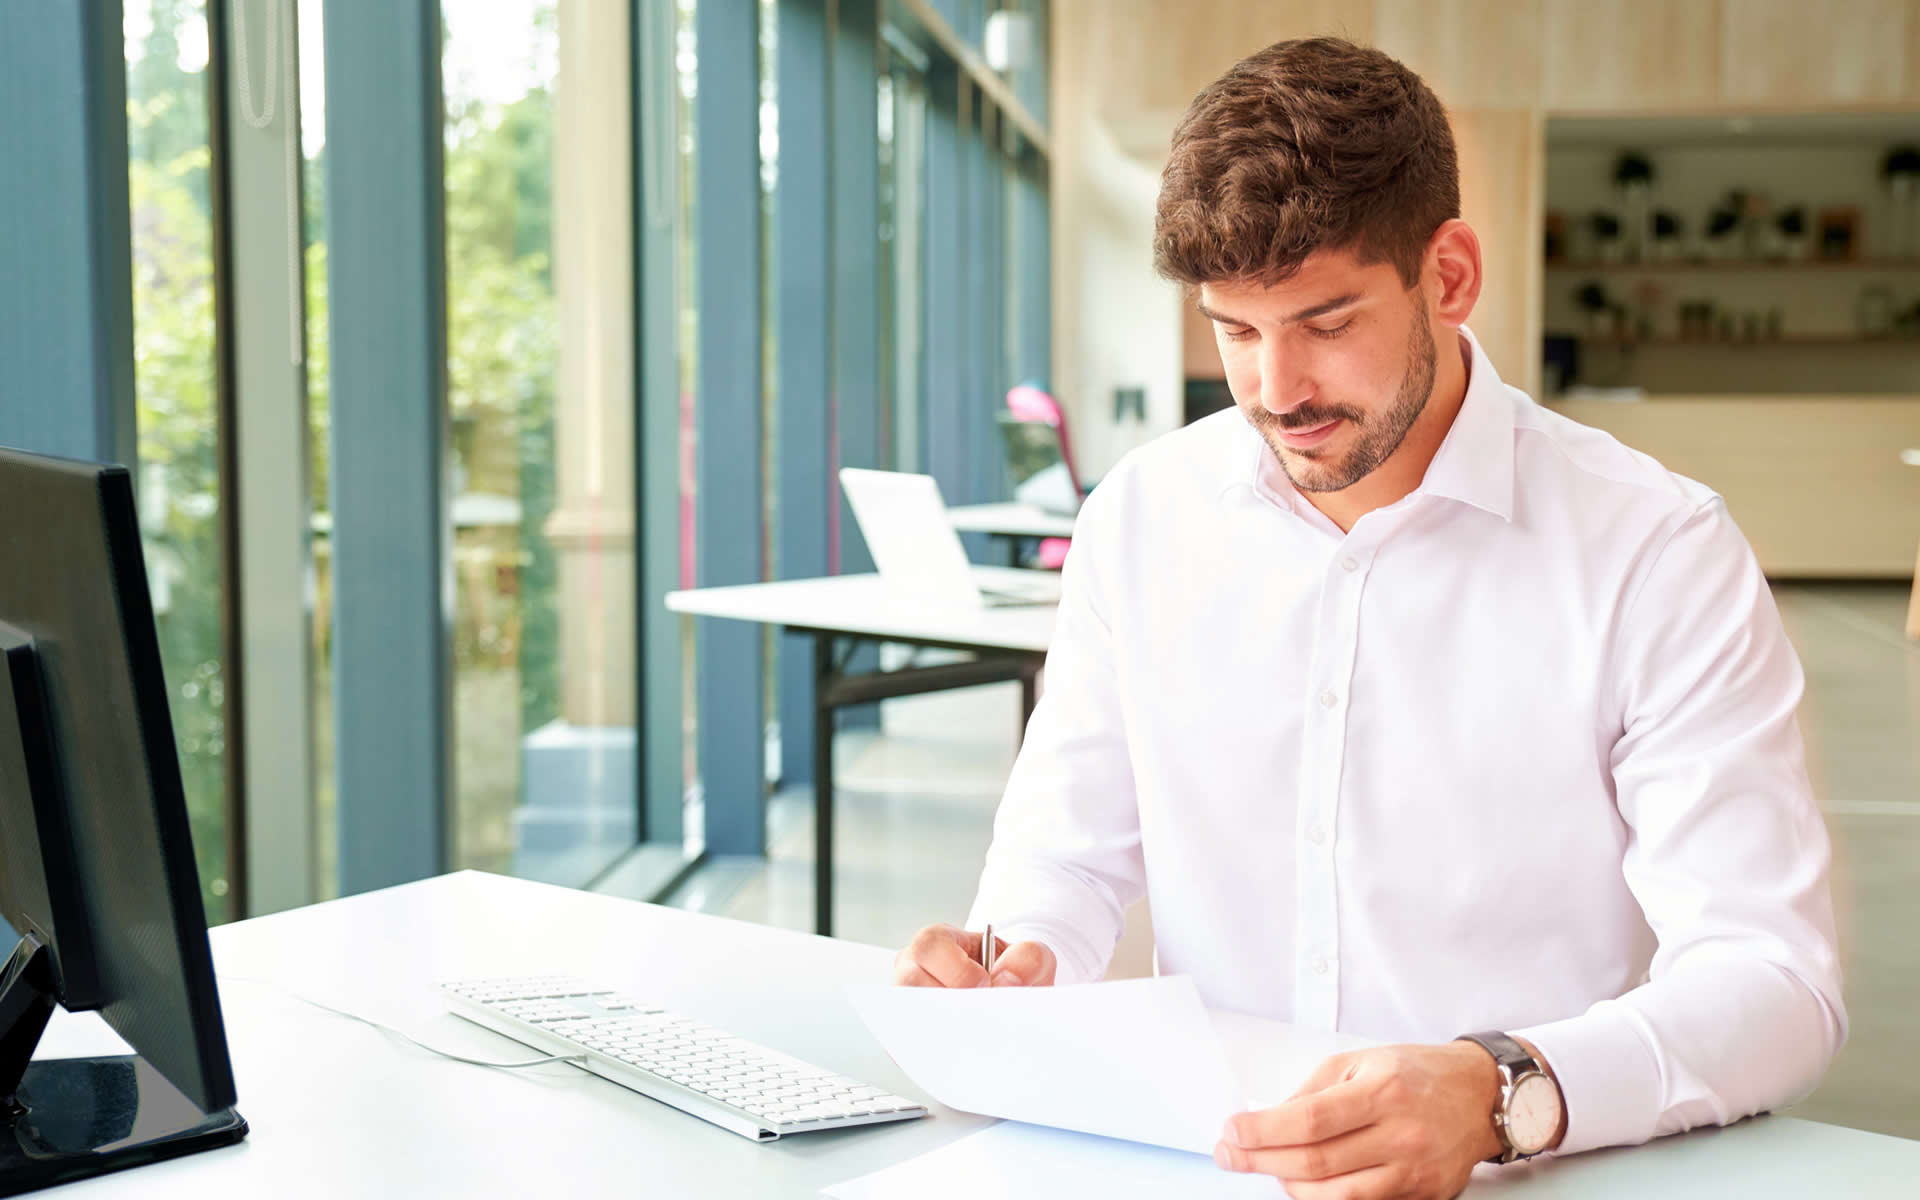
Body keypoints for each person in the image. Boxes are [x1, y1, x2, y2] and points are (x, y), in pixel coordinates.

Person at [891, 35, 1845, 1200]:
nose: (1276, 391)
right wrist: (1013, 965)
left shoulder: (1656, 550)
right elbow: (1064, 859)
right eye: (1234, 331)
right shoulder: (1141, 518)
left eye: (1326, 323)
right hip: (1212, 1167)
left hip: (1529, 1173)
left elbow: (1775, 981)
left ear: (1447, 275)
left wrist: (1503, 1088)